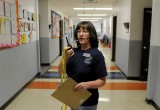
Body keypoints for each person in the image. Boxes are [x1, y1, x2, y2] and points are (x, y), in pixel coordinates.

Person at [58, 21, 107, 110]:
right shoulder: (73, 52)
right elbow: (60, 72)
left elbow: (102, 81)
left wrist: (87, 84)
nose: (81, 34)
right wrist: (65, 58)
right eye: (78, 31)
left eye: (85, 31)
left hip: (87, 102)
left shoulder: (97, 54)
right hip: (72, 97)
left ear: (91, 34)